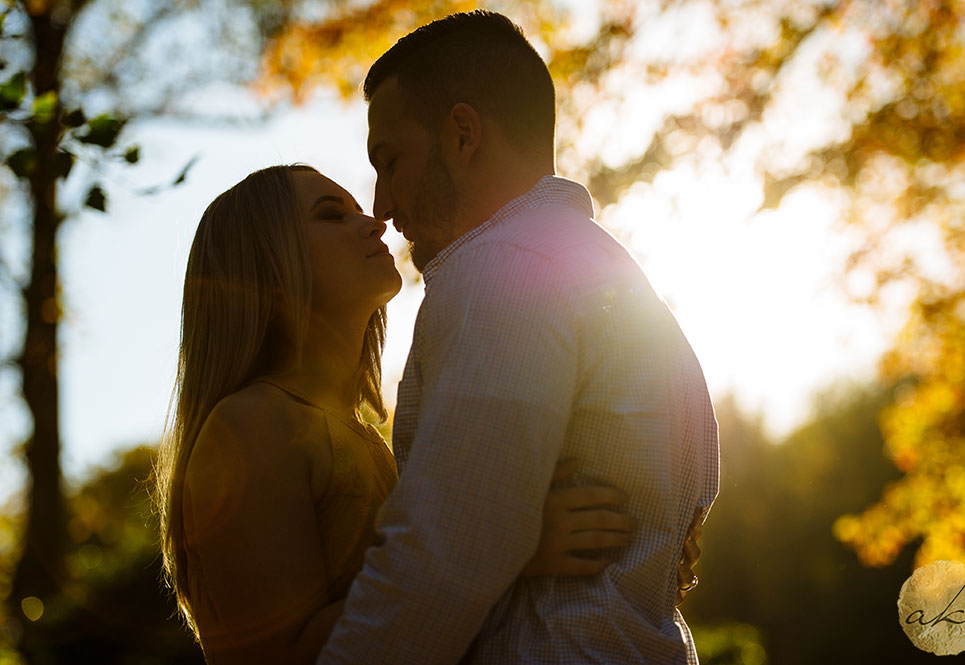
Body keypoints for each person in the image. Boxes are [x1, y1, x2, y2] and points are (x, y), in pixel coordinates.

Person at [317, 10, 720, 665]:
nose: (382, 204)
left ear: (463, 134)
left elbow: (440, 553)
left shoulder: (500, 269)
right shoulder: (608, 272)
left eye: (389, 161)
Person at [154, 164, 639, 664]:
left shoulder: (366, 439)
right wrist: (502, 551)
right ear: (265, 264)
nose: (372, 223)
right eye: (330, 216)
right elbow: (280, 656)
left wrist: (643, 534)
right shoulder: (252, 426)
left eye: (356, 211)